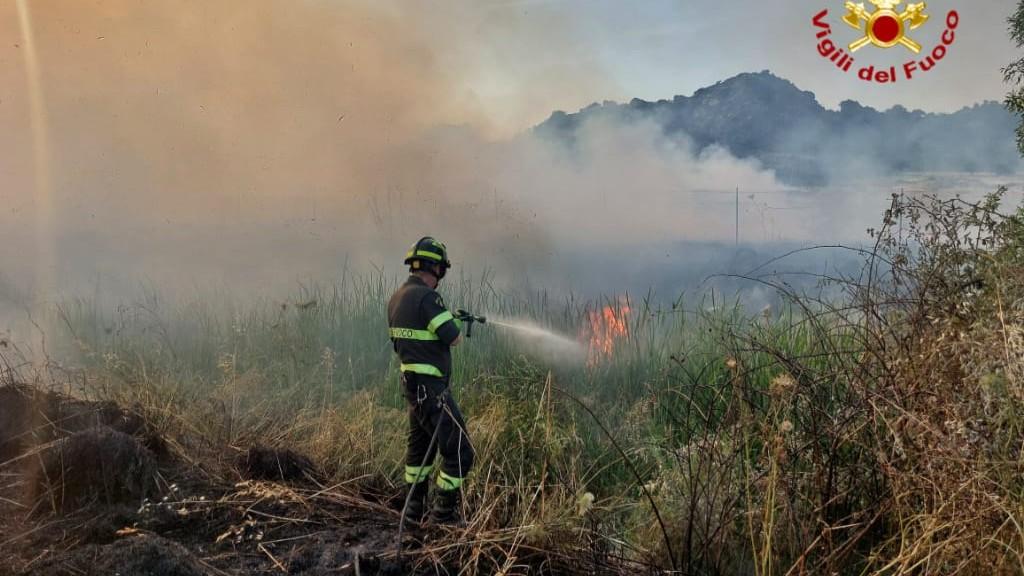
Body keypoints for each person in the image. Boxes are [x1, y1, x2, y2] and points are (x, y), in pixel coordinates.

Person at [387, 237, 474, 525]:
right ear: (434, 268)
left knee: (420, 452)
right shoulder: (427, 297)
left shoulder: (397, 298)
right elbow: (454, 337)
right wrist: (457, 319)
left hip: (413, 388)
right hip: (432, 389)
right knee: (460, 450)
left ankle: (412, 513)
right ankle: (443, 517)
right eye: (441, 270)